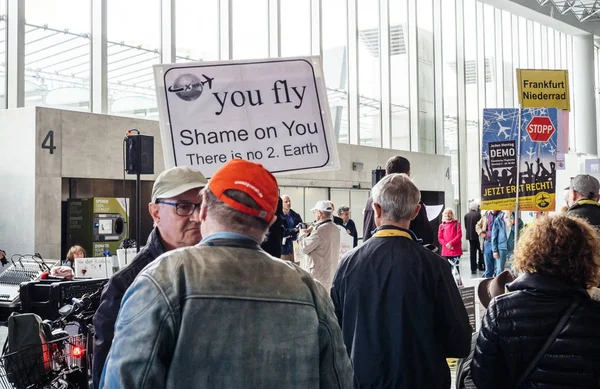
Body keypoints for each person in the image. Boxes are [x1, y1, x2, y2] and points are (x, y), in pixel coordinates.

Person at [99, 159, 354, 389]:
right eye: (182, 206)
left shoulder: (161, 279)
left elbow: (126, 380)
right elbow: (339, 379)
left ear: (205, 209)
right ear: (271, 223)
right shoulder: (309, 290)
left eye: (195, 206)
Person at [332, 173, 471, 389]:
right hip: (423, 380)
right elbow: (460, 342)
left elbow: (335, 333)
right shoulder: (435, 266)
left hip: (362, 379)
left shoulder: (348, 263)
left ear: (376, 209)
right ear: (416, 212)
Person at [92, 166, 207, 389]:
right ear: (155, 212)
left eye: (202, 205)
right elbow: (107, 371)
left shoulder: (218, 269)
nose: (196, 217)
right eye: (183, 207)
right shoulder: (127, 283)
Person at [471, 215, 600, 388]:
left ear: (532, 252)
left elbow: (483, 378)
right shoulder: (594, 315)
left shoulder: (500, 309)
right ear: (586, 258)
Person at [363, 155, 434, 245]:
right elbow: (426, 237)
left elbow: (367, 231)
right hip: (406, 253)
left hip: (372, 251)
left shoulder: (371, 200)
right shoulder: (411, 199)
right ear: (408, 174)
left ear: (386, 174)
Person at [297, 200, 342, 290]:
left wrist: (302, 232)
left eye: (315, 212)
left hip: (318, 276)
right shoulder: (335, 228)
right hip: (331, 273)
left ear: (319, 213)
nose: (314, 214)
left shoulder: (319, 231)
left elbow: (304, 248)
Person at [438, 207, 463, 272]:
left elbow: (459, 235)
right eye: (446, 213)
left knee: (456, 270)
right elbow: (440, 238)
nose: (447, 215)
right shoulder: (441, 225)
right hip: (446, 251)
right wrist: (447, 244)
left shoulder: (457, 223)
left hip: (456, 250)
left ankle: (457, 282)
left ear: (452, 214)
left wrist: (450, 243)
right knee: (446, 270)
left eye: (449, 213)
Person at [280, 194, 303, 262]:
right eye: (286, 201)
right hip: (283, 248)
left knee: (296, 269)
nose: (288, 203)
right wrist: (294, 230)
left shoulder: (295, 215)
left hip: (295, 247)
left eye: (289, 201)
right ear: (281, 203)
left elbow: (301, 227)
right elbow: (282, 231)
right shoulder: (278, 216)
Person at [464, 201, 484, 274]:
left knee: (472, 252)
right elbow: (480, 225)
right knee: (481, 250)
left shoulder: (466, 215)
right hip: (478, 235)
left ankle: (473, 268)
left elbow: (466, 226)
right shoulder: (478, 215)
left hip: (470, 236)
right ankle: (481, 265)